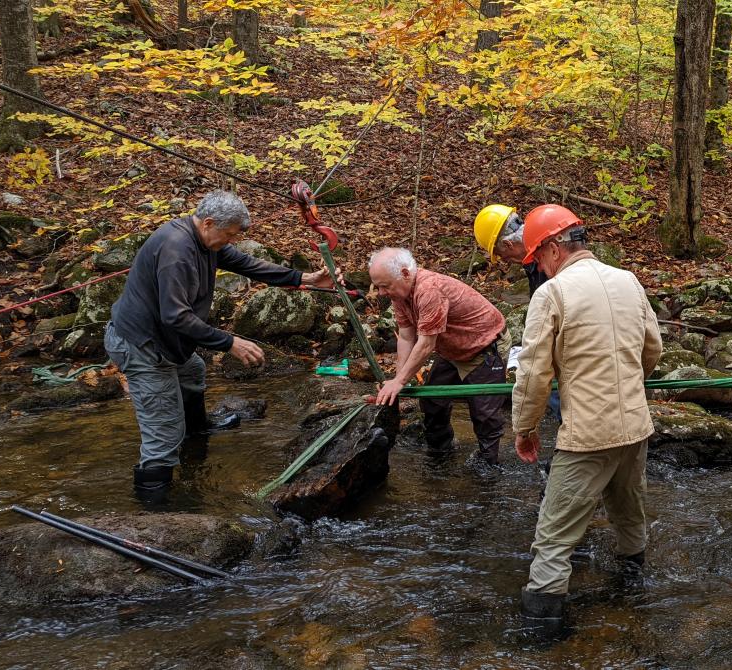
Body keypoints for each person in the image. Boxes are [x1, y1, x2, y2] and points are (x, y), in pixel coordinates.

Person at [106, 189, 340, 499]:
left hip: (168, 343)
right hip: (143, 346)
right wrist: (230, 342)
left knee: (193, 372)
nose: (229, 242)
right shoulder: (177, 251)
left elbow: (249, 265)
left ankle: (196, 432)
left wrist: (305, 279)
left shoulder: (206, 240)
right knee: (163, 434)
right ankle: (154, 509)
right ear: (208, 223)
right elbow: (176, 316)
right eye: (228, 235)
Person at [509, 204, 662, 632]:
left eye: (537, 257)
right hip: (635, 425)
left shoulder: (552, 294)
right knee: (629, 514)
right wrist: (627, 385)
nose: (538, 266)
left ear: (553, 248)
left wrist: (524, 428)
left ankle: (541, 636)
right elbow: (653, 350)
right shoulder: (628, 281)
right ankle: (634, 598)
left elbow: (534, 372)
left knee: (554, 539)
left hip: (587, 434)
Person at [370, 247, 509, 465]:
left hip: (484, 346)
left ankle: (488, 466)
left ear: (405, 273)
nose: (380, 293)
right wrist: (399, 381)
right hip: (452, 348)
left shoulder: (429, 290)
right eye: (377, 287)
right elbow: (406, 338)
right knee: (432, 401)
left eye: (384, 286)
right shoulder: (400, 295)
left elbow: (426, 344)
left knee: (485, 414)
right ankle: (441, 451)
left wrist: (400, 381)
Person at [474, 204, 560, 421]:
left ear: (508, 243)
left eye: (501, 254)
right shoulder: (532, 260)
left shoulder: (551, 257)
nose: (504, 261)